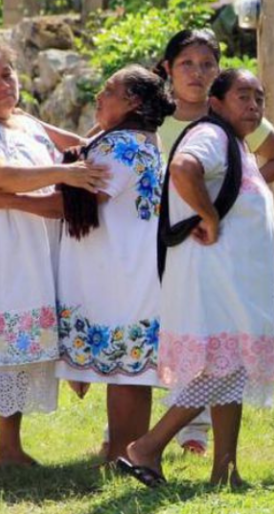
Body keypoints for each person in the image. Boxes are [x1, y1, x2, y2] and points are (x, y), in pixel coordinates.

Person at [100, 28, 274, 458]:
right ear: (168, 68)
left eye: (208, 64)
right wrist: (207, 208)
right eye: (188, 63)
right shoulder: (155, 114)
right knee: (146, 344)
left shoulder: (237, 116)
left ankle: (198, 442)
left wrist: (229, 199)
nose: (199, 72)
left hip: (201, 249)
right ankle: (124, 442)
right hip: (147, 247)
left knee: (212, 345)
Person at [0, 42, 108, 471]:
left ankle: (9, 450)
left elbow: (82, 144)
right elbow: (0, 176)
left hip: (35, 250)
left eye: (8, 74)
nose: (4, 85)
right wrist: (63, 174)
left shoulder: (25, 124)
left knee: (22, 352)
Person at [119, 69, 274, 488]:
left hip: (231, 284)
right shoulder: (209, 136)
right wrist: (208, 216)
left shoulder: (237, 144)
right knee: (215, 372)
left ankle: (224, 472)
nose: (253, 106)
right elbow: (184, 168)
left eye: (259, 98)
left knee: (232, 371)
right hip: (213, 282)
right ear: (217, 102)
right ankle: (147, 448)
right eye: (242, 96)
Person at [53, 65, 176, 462]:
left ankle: (122, 454)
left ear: (133, 102)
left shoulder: (121, 147)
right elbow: (80, 148)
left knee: (126, 370)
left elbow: (82, 199)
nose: (99, 97)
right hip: (131, 266)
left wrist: (9, 200)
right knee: (130, 370)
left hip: (119, 271)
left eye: (109, 91)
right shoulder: (136, 140)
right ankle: (123, 451)